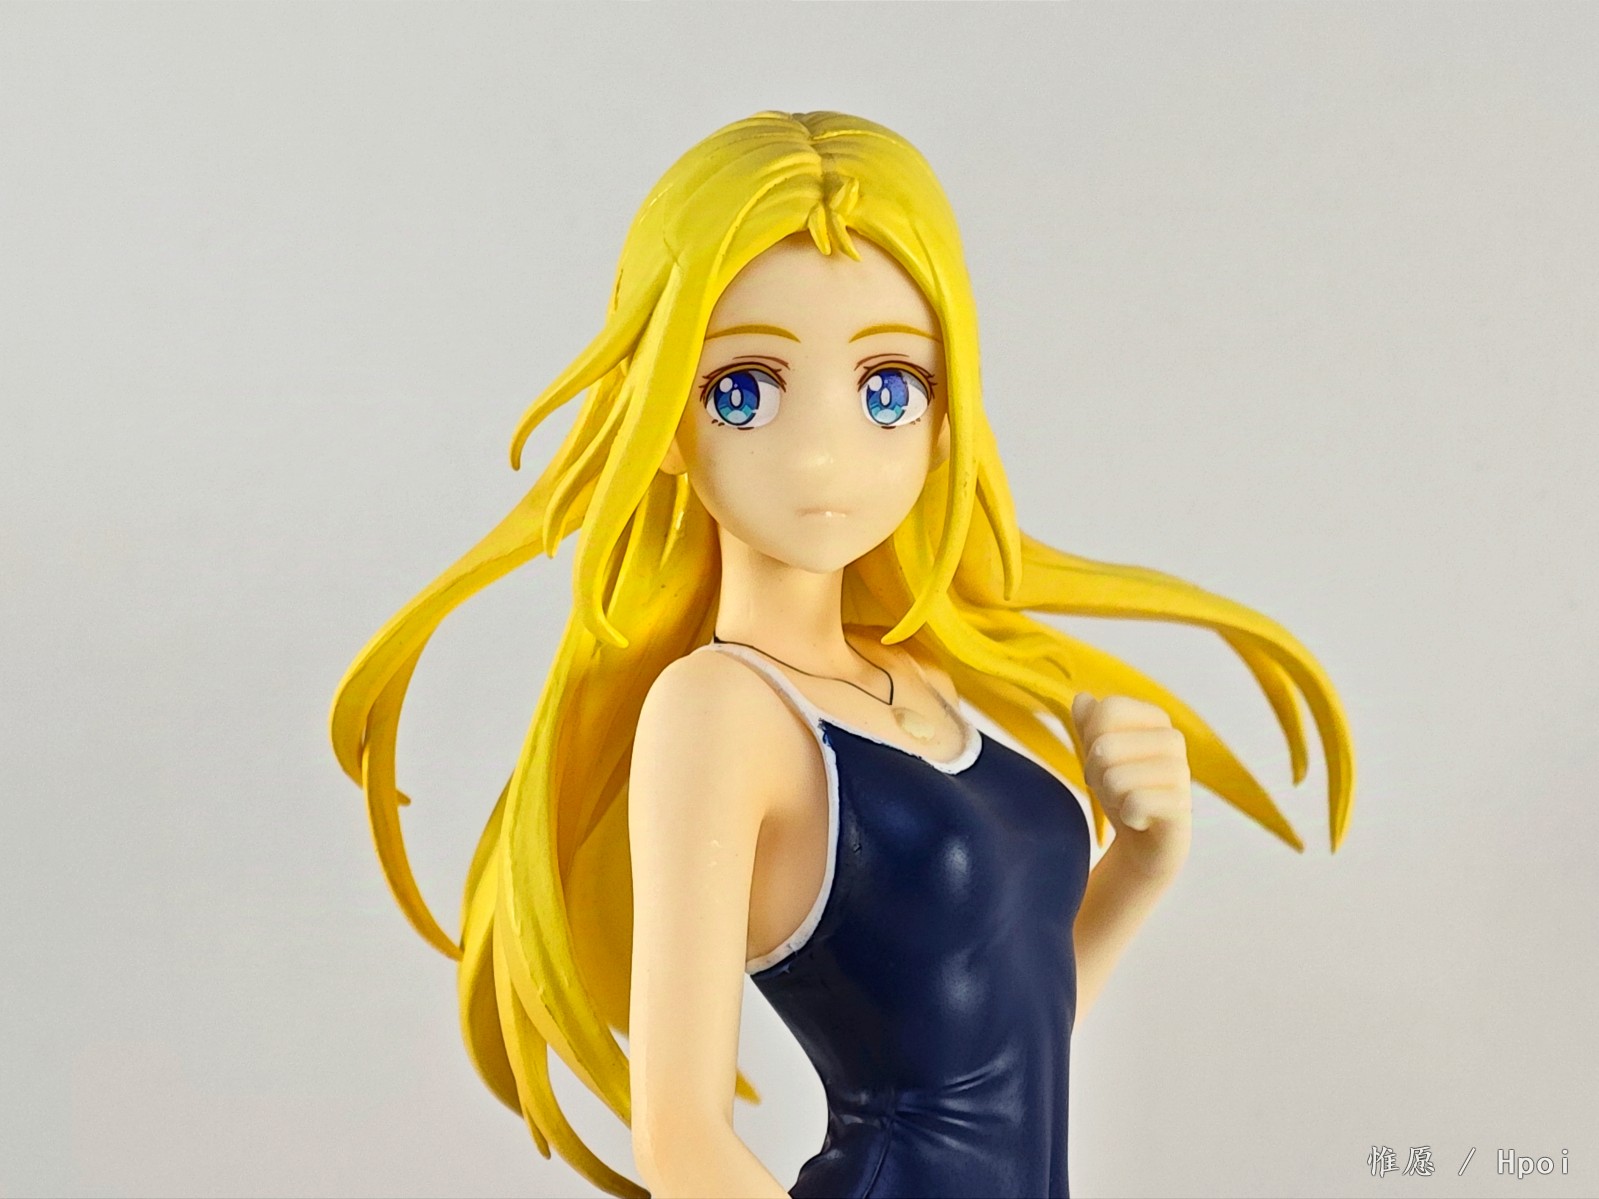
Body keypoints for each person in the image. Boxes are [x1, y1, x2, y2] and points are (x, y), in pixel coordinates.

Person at [329, 110, 1354, 1199]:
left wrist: (1140, 866)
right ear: (664, 422)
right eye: (744, 390)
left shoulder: (921, 683)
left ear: (946, 415)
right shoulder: (720, 709)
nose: (822, 454)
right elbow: (680, 1142)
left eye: (886, 389)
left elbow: (1000, 1046)